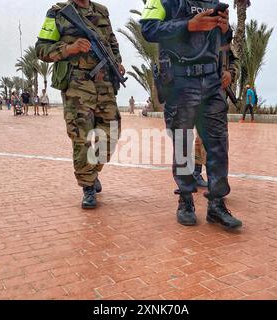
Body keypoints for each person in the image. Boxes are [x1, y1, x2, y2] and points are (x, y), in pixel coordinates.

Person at [141, 0, 242, 229]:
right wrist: (188, 25)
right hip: (180, 81)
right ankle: (186, 200)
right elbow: (148, 29)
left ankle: (216, 204)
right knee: (184, 144)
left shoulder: (214, 4)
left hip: (212, 82)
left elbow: (224, 44)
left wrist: (226, 30)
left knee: (217, 145)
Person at [36, 0, 125, 209]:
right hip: (77, 84)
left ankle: (92, 171)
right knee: (81, 136)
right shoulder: (57, 12)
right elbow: (41, 49)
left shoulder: (102, 11)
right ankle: (88, 187)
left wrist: (117, 62)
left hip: (104, 82)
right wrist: (69, 49)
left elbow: (112, 43)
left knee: (111, 132)